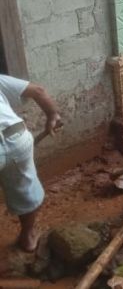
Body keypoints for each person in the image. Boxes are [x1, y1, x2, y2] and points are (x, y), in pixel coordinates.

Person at [1, 75, 62, 252]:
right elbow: (38, 90)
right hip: (16, 138)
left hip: (15, 141)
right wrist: (52, 115)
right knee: (25, 189)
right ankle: (28, 237)